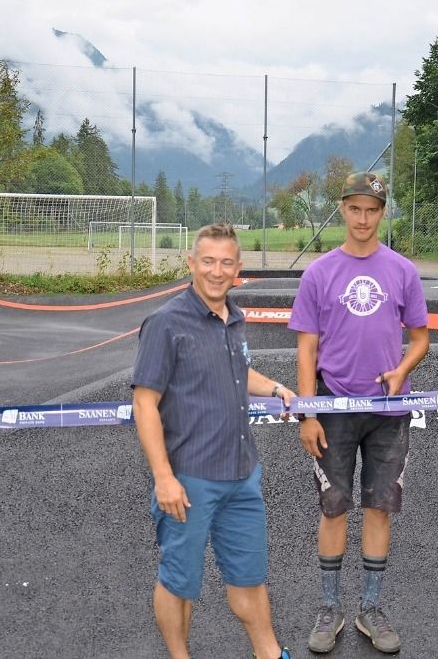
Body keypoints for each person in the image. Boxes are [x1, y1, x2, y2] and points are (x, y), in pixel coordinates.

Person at [131, 223, 294, 659]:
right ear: (191, 264)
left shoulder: (235, 319)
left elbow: (238, 374)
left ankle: (270, 654)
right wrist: (164, 478)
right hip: (189, 481)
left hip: (243, 477)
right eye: (208, 261)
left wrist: (276, 388)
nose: (217, 271)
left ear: (238, 268)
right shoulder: (166, 323)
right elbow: (144, 405)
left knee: (251, 581)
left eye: (226, 262)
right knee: (179, 583)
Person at [288, 172, 429, 654]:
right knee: (333, 508)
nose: (364, 218)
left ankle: (371, 607)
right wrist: (307, 413)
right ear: (343, 209)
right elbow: (306, 350)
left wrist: (401, 369)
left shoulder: (403, 271)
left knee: (379, 508)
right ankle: (330, 608)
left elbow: (421, 337)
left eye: (373, 209)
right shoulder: (319, 273)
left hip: (390, 410)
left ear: (383, 212)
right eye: (355, 208)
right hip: (332, 407)